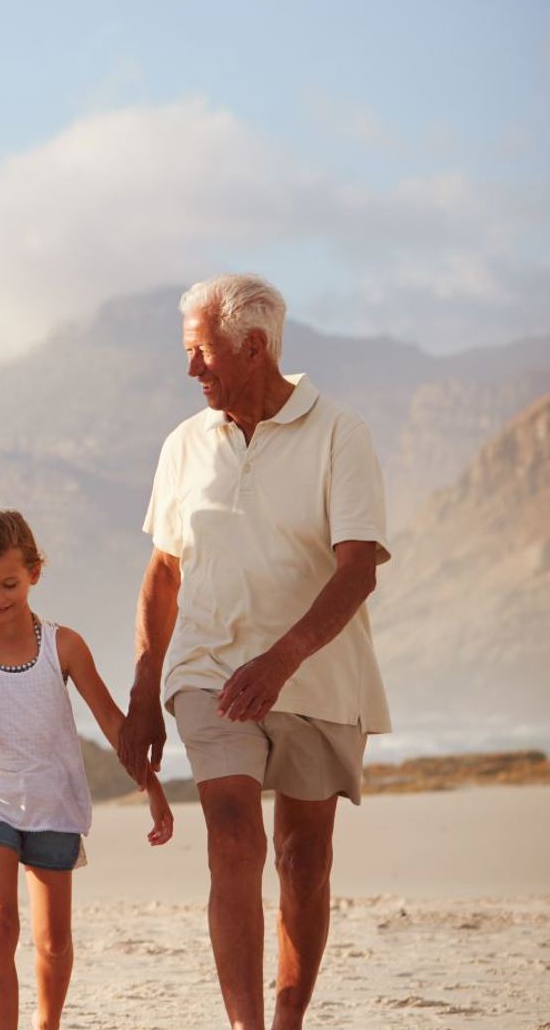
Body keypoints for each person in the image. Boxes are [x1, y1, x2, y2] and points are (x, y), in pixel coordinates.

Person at [115, 273, 391, 1030]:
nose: (191, 370)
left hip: (318, 674)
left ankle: (288, 1018)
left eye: (202, 352)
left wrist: (281, 660)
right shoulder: (184, 444)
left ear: (255, 346)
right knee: (233, 833)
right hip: (208, 670)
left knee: (303, 859)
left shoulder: (339, 432)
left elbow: (358, 567)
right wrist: (145, 692)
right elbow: (164, 575)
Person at [0, 510, 173, 1030]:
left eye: (9, 583)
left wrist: (152, 789)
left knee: (54, 942)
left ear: (35, 571)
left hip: (53, 798)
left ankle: (48, 1023)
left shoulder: (65, 646)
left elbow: (112, 723)